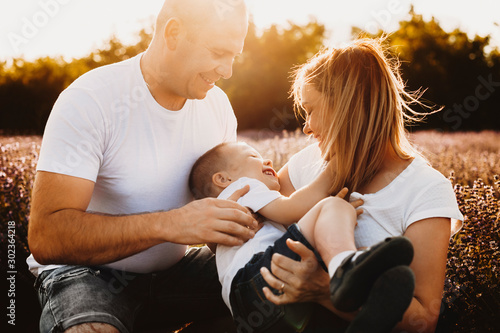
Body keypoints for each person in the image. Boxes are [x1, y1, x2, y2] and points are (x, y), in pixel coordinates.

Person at [26, 0, 256, 332]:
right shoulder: (91, 99)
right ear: (173, 33)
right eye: (218, 52)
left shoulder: (218, 107)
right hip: (85, 275)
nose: (227, 70)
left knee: (276, 283)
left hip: (176, 274)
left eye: (234, 56)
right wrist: (170, 224)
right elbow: (47, 237)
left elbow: (227, 211)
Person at [259, 38, 464, 333]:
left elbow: (423, 320)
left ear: (349, 107)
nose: (306, 127)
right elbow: (257, 221)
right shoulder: (308, 163)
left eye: (312, 109)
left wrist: (321, 288)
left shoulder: (426, 190)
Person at [188, 141, 416, 333]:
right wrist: (337, 166)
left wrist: (336, 214)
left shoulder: (240, 205)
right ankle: (344, 270)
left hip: (255, 310)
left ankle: (364, 320)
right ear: (223, 179)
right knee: (331, 205)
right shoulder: (241, 189)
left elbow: (300, 220)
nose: (267, 161)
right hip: (258, 278)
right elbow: (291, 208)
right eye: (253, 156)